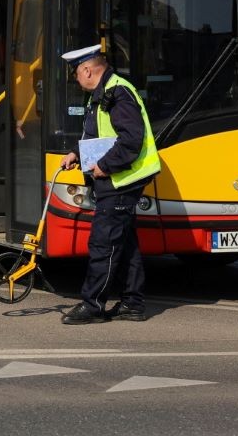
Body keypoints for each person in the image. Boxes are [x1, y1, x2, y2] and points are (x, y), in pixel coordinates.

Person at [57, 44, 161, 325]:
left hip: (121, 179)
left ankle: (93, 305)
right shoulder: (104, 92)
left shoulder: (117, 93)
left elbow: (131, 140)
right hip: (118, 178)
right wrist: (77, 155)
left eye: (76, 73)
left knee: (104, 242)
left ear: (87, 70)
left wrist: (105, 166)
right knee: (124, 242)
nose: (76, 79)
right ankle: (132, 304)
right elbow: (99, 136)